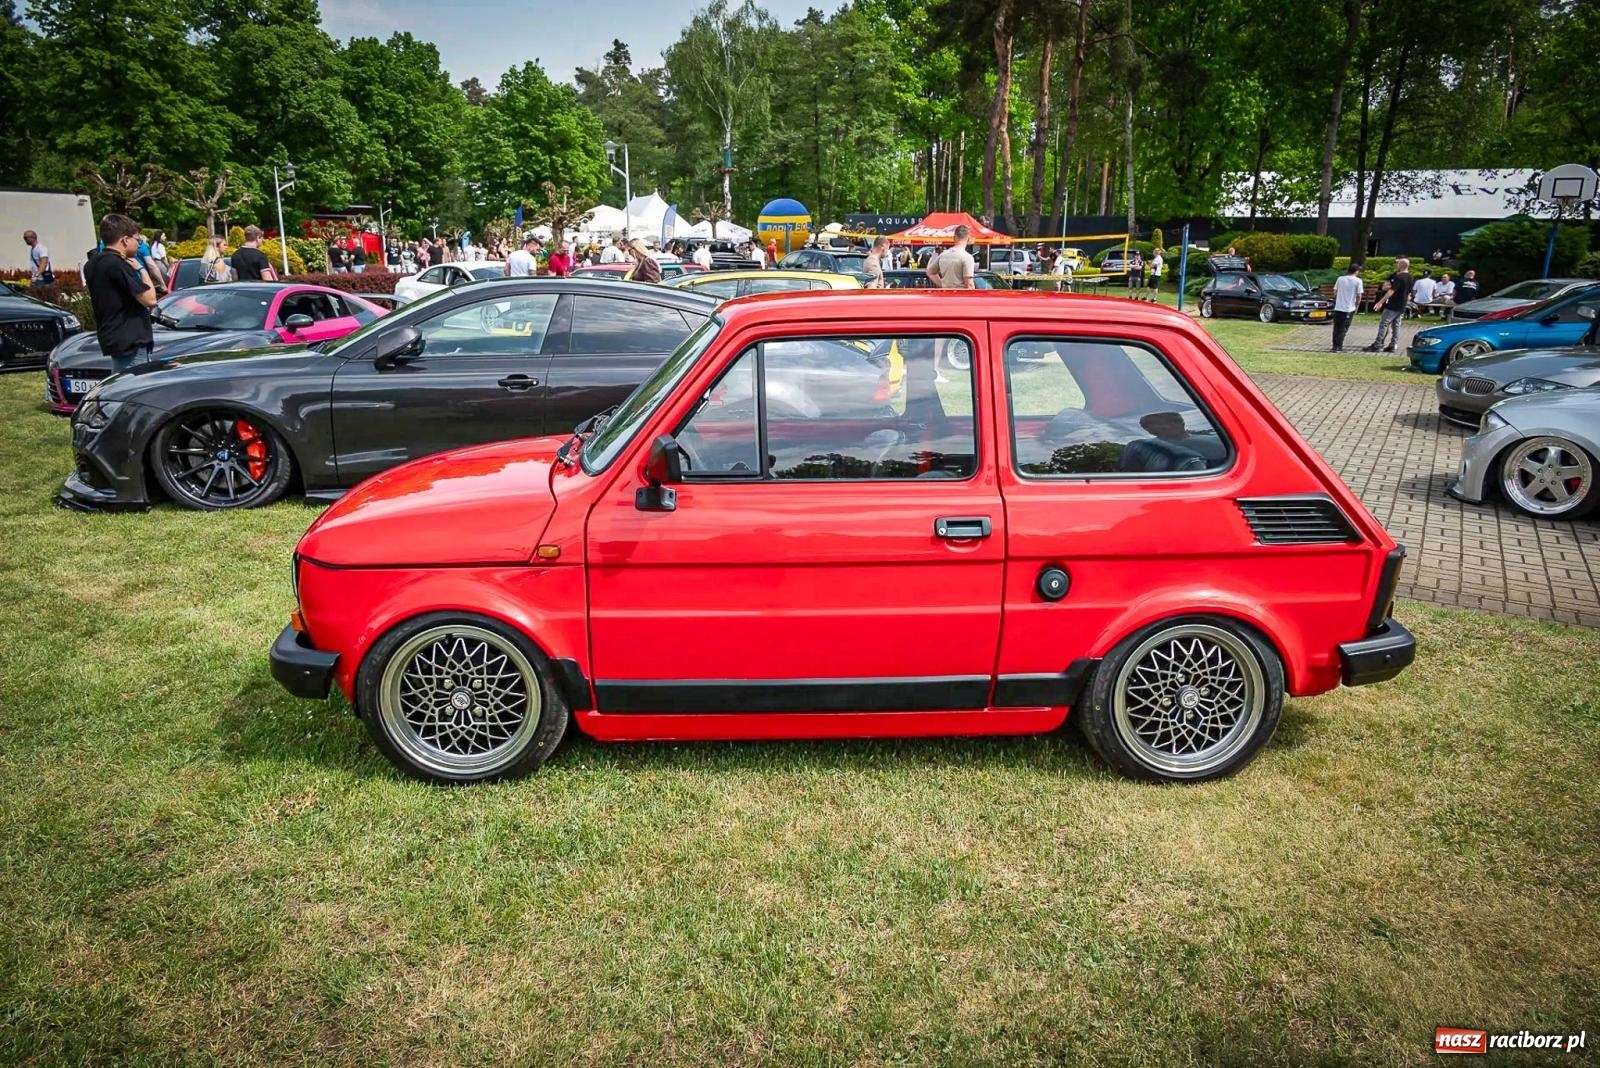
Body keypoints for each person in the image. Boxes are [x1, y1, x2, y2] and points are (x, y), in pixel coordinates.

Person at [84, 214, 159, 372]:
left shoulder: (92, 264)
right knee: (134, 390)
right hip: (130, 341)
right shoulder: (117, 264)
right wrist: (141, 269)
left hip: (113, 336)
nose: (139, 245)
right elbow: (150, 299)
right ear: (125, 240)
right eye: (137, 240)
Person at [1367, 256, 1411, 353]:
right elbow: (1409, 292)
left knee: (1384, 324)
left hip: (1393, 304)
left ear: (1401, 265)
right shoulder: (1410, 277)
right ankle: (1392, 345)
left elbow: (1391, 291)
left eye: (1398, 263)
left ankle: (1378, 344)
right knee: (1396, 326)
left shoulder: (1399, 277)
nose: (1396, 265)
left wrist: (1380, 302)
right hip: (1402, 305)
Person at [928, 226, 976, 290]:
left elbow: (930, 272)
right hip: (960, 296)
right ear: (968, 239)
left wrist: (943, 285)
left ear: (954, 238)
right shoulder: (967, 257)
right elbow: (969, 285)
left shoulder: (943, 255)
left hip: (945, 295)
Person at [1331, 261, 1364, 352]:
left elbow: (1335, 292)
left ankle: (1335, 345)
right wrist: (1357, 305)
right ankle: (1339, 346)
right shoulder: (1358, 281)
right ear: (1356, 271)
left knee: (1337, 327)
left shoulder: (1340, 279)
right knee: (1344, 328)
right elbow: (1359, 295)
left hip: (1338, 307)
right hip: (1349, 307)